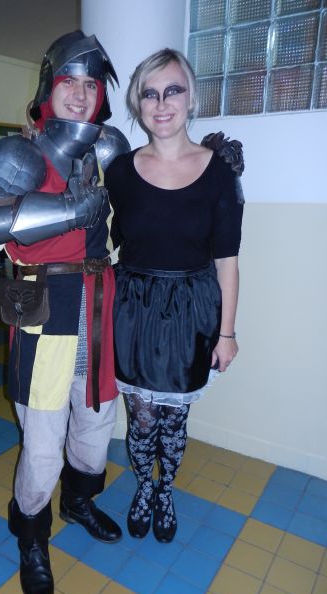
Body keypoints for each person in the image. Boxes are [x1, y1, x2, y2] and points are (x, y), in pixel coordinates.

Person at [0, 31, 130, 594]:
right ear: (49, 88)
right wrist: (67, 211)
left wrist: (208, 171)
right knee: (41, 443)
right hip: (43, 309)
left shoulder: (110, 147)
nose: (81, 95)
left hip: (100, 305)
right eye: (69, 83)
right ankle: (32, 536)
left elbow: (148, 202)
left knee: (97, 422)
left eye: (91, 85)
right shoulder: (21, 153)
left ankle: (78, 501)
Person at [104, 49, 244, 543]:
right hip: (133, 307)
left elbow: (227, 261)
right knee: (141, 418)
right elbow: (111, 241)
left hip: (190, 310)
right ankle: (145, 486)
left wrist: (227, 334)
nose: (161, 104)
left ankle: (166, 490)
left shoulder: (219, 172)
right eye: (150, 93)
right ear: (137, 103)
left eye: (173, 91)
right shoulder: (119, 171)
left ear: (191, 98)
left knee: (174, 417)